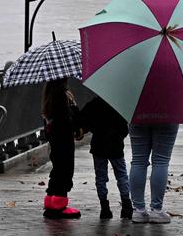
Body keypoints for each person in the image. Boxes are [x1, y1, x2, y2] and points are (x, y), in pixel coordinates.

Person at [80, 97, 133, 219]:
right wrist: (118, 136)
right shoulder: (119, 103)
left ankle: (104, 208)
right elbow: (125, 129)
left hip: (98, 145)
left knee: (101, 177)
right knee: (121, 175)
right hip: (115, 145)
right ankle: (126, 206)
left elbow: (84, 121)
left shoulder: (93, 104)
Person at [41, 78, 82, 219]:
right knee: (65, 171)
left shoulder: (49, 97)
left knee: (57, 170)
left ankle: (51, 202)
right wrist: (74, 106)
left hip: (55, 141)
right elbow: (68, 120)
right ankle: (59, 205)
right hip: (64, 141)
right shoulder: (62, 97)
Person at [129, 123, 179, 223]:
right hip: (167, 116)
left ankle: (138, 210)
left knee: (138, 161)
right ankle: (156, 210)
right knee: (161, 161)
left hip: (139, 116)